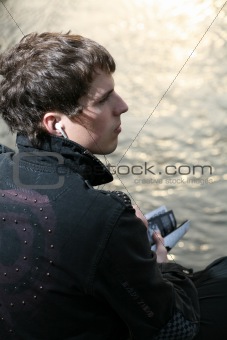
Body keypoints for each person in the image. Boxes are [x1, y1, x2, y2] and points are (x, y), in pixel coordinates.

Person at [0, 32, 226, 340]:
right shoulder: (105, 217)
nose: (123, 106)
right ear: (55, 124)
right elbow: (177, 331)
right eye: (103, 100)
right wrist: (160, 265)